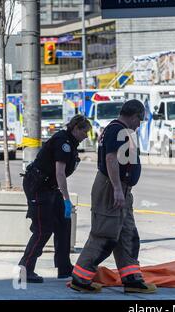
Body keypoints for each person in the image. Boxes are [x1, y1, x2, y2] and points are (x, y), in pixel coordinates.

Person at [69, 99, 156, 294]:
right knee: (105, 234)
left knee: (128, 235)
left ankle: (132, 279)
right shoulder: (118, 130)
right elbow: (111, 158)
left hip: (122, 190)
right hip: (111, 189)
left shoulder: (121, 130)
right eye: (139, 120)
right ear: (134, 116)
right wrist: (117, 188)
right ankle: (80, 278)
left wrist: (123, 190)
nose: (139, 124)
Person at [18, 114, 92, 283]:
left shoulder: (71, 143)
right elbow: (60, 173)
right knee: (43, 229)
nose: (86, 136)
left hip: (50, 187)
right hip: (38, 186)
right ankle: (25, 269)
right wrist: (66, 199)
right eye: (84, 132)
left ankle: (64, 267)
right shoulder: (63, 142)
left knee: (63, 223)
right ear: (75, 129)